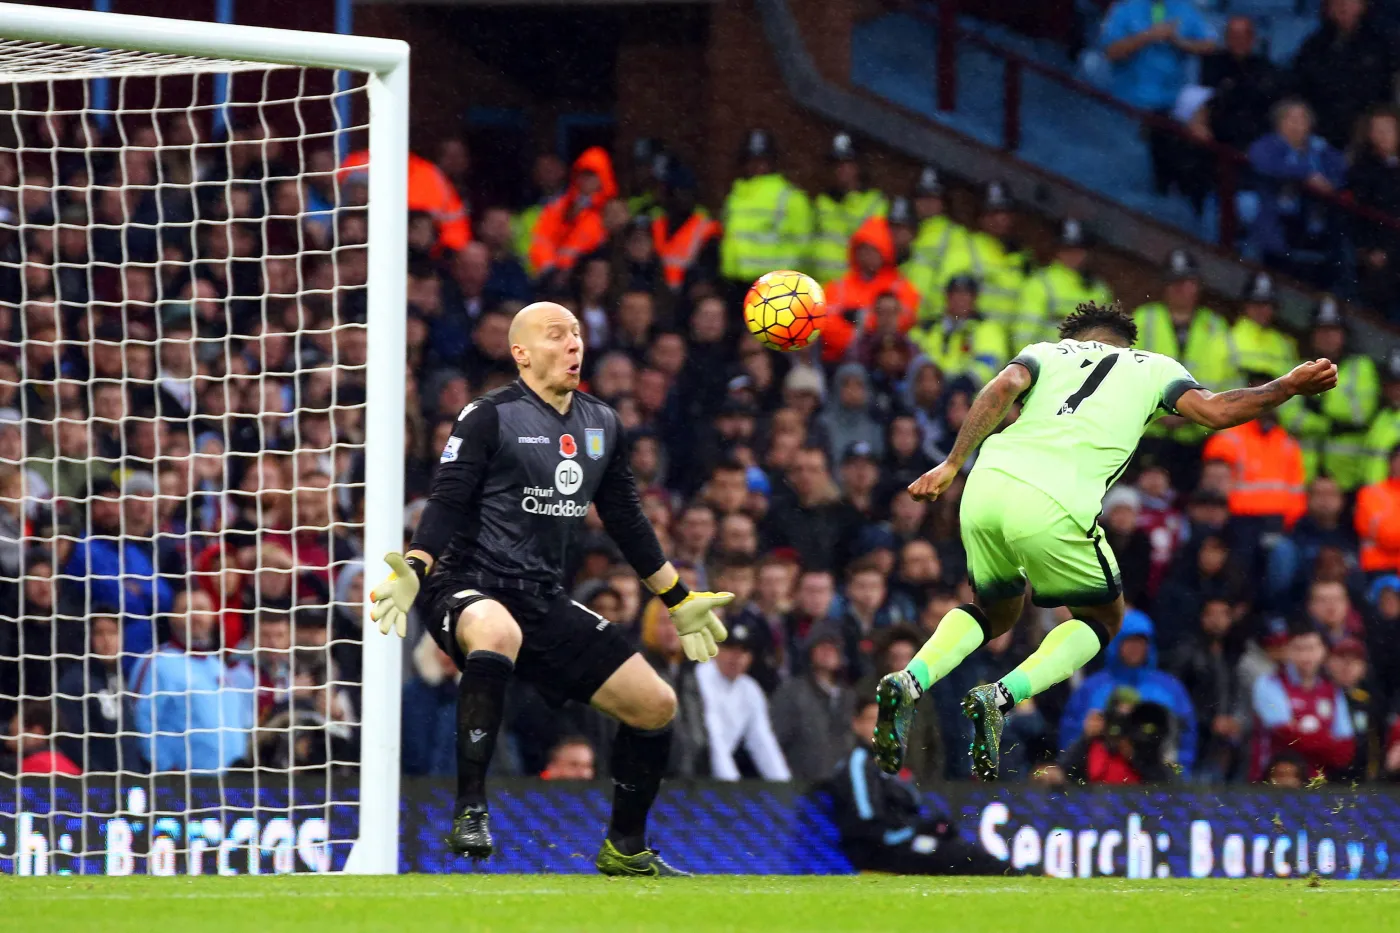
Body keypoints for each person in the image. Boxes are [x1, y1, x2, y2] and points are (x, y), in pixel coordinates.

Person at [872, 301, 1336, 780]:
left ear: (1075, 335)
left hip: (985, 486)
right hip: (1054, 501)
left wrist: (952, 462)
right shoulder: (1154, 367)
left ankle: (911, 679)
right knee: (1104, 618)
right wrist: (1287, 386)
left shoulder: (1046, 352)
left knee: (994, 612)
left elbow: (1004, 385)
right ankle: (1000, 697)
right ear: (1126, 341)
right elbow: (1215, 411)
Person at [369, 301, 731, 876]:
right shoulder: (488, 415)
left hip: (541, 597)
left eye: (577, 334)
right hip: (466, 584)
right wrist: (416, 564)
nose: (573, 344)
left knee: (655, 704)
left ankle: (625, 847)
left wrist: (678, 599)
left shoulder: (601, 423)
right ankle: (470, 810)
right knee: (497, 631)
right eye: (556, 335)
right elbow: (448, 499)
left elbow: (627, 519)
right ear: (521, 353)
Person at [822, 696, 1011, 875]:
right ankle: (1013, 875)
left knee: (963, 851)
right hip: (880, 851)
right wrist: (916, 830)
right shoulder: (858, 763)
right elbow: (867, 825)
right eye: (872, 720)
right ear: (856, 724)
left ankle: (1012, 873)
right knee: (958, 856)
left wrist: (929, 827)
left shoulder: (887, 766)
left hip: (901, 842)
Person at [1058, 610, 1198, 775]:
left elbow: (1185, 736)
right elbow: (1069, 734)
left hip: (1156, 779)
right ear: (1117, 643)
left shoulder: (1170, 688)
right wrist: (1087, 734)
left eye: (1141, 642)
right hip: (1099, 777)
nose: (1135, 648)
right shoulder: (1092, 688)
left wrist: (1179, 776)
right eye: (1129, 641)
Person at [1098, 0, 1217, 193]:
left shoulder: (1184, 9)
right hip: (1129, 105)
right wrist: (1147, 36)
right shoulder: (1124, 10)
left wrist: (1180, 42)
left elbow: (1210, 45)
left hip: (1170, 104)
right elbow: (1111, 52)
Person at [1246, 100, 1347, 288]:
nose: (1296, 124)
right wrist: (1305, 175)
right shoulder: (1268, 145)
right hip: (1275, 229)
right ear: (1278, 122)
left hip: (1314, 229)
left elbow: (1341, 171)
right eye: (1290, 118)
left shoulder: (1320, 148)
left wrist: (1329, 183)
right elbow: (1261, 162)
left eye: (1302, 119)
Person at [1249, 626, 1355, 781]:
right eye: (1299, 649)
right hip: (1273, 783)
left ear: (1323, 651)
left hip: (1317, 784)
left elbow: (1345, 749)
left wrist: (1304, 733)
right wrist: (1327, 740)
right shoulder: (1269, 683)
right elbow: (1287, 735)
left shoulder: (1332, 691)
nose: (1306, 656)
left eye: (1311, 648)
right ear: (1288, 651)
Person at [1291, 0, 1399, 150]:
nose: (1343, 7)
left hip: (1375, 130)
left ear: (1363, 5)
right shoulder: (1313, 47)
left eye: (1349, 1)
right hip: (1325, 132)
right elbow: (1300, 89)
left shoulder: (1385, 41)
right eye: (1336, 2)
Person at [693, 623, 791, 781]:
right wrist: (730, 787)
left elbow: (763, 742)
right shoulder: (699, 677)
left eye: (743, 651)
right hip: (692, 770)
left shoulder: (750, 689)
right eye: (730, 649)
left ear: (750, 658)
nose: (736, 657)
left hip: (716, 776)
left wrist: (784, 787)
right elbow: (714, 737)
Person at [719, 129, 812, 292]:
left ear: (772, 161)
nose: (756, 166)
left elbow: (803, 246)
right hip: (734, 283)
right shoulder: (737, 194)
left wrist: (784, 278)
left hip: (774, 286)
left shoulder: (790, 197)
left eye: (762, 160)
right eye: (751, 159)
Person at [819, 216, 920, 363]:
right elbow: (825, 322)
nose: (867, 255)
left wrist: (861, 319)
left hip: (890, 357)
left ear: (885, 251)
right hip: (844, 359)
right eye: (863, 249)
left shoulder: (900, 286)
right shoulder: (838, 286)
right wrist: (860, 339)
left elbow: (905, 319)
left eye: (874, 250)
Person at [770, 625, 856, 781]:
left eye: (833, 647)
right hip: (800, 784)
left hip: (842, 785)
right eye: (821, 646)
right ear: (810, 652)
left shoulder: (849, 697)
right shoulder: (792, 692)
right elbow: (774, 740)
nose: (827, 652)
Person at [1016, 218, 1112, 348]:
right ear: (1057, 251)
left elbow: (1106, 333)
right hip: (1048, 359)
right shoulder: (1040, 283)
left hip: (1086, 359)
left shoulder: (1099, 288)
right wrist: (1026, 359)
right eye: (1067, 250)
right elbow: (1025, 332)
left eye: (1079, 250)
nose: (1073, 255)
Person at [529, 147, 618, 287]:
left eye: (592, 175)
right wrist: (550, 270)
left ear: (603, 177)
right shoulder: (559, 208)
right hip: (557, 278)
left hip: (593, 278)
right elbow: (542, 240)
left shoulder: (611, 209)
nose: (586, 179)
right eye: (582, 174)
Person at [809, 133, 887, 285]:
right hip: (819, 287)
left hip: (854, 290)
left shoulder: (875, 204)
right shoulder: (822, 202)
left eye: (846, 163)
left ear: (858, 166)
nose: (841, 169)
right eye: (836, 164)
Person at [1199, 15, 1283, 151]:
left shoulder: (1267, 69)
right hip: (1217, 140)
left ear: (1252, 38)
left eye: (1244, 35)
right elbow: (1205, 100)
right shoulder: (1213, 65)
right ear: (1226, 38)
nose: (1238, 40)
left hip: (1255, 140)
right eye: (1233, 35)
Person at [1231, 272, 1297, 380]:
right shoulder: (1226, 338)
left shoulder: (1285, 345)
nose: (1262, 310)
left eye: (1267, 304)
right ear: (1245, 305)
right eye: (1257, 303)